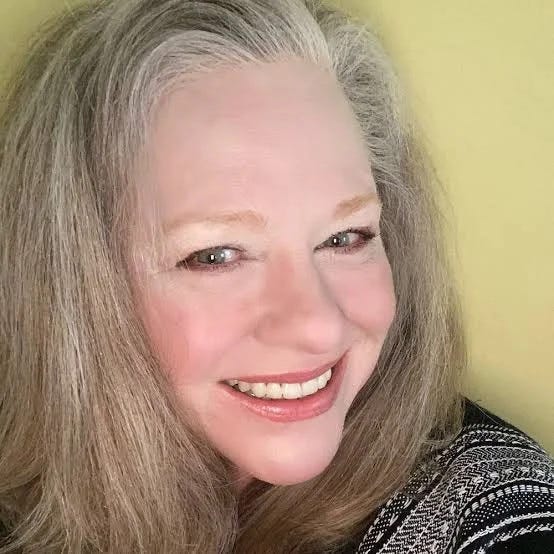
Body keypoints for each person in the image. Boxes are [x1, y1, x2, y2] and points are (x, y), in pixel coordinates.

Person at [0, 1, 552, 552]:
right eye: (216, 255)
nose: (319, 326)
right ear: (72, 281)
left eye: (345, 238)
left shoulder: (488, 513)